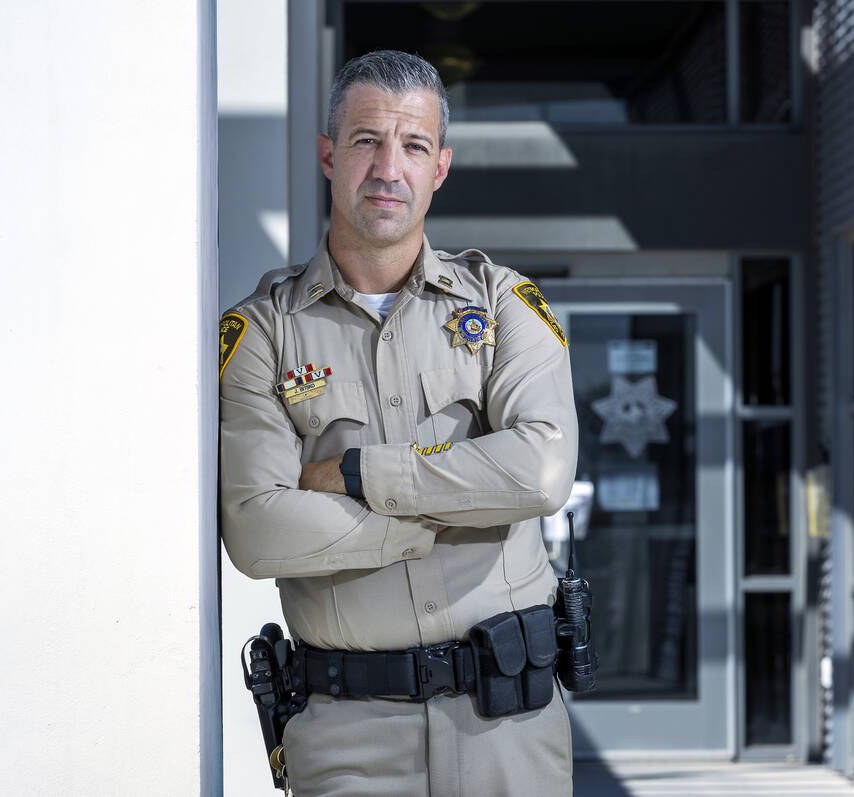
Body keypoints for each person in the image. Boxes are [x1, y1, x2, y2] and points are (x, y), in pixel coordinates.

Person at [219, 49, 579, 796]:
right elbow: (256, 528)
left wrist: (357, 476)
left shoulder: (505, 304)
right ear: (328, 154)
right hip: (348, 737)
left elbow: (541, 471)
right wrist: (442, 514)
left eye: (413, 145)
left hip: (509, 726)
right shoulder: (263, 333)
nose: (390, 167)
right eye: (366, 141)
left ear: (439, 167)